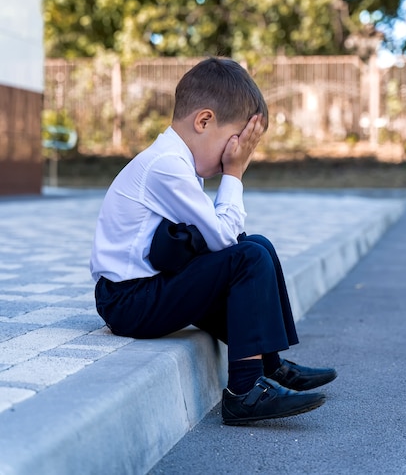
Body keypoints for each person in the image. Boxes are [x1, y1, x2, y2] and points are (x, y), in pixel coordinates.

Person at [90, 57, 336, 425]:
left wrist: (230, 171)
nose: (232, 156)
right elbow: (224, 240)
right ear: (204, 121)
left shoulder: (177, 162)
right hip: (128, 302)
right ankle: (244, 391)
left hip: (146, 290)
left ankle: (271, 366)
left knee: (258, 246)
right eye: (234, 143)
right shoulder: (165, 166)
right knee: (249, 257)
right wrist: (235, 174)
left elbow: (226, 237)